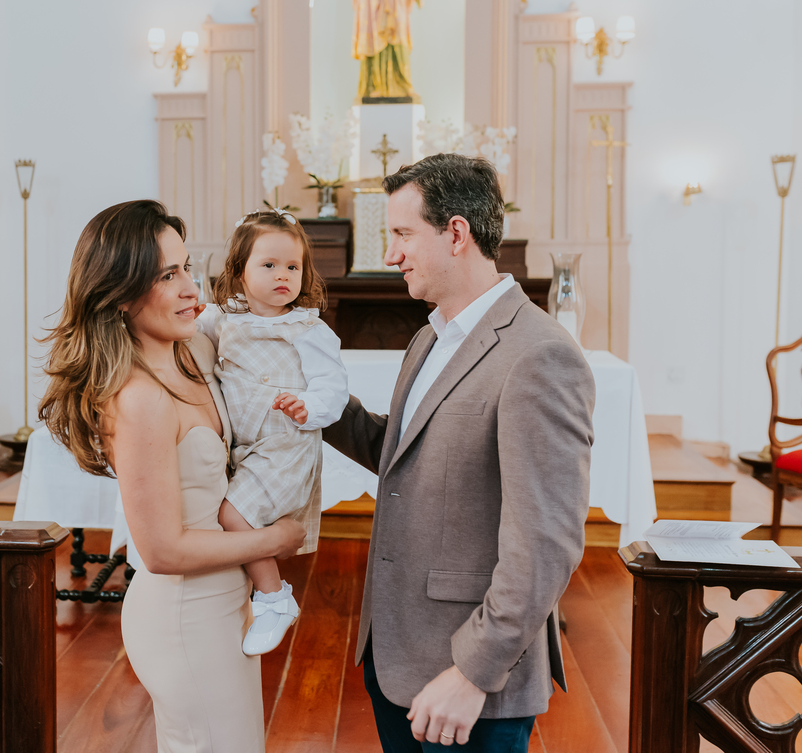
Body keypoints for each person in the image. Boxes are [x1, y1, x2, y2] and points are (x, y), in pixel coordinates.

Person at [323, 154, 595, 751]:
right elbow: (407, 459)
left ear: (455, 233)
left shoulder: (539, 354)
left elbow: (546, 543)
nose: (391, 256)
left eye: (401, 234)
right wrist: (320, 404)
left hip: (471, 674)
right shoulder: (429, 337)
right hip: (398, 652)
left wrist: (474, 671)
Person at [39, 200, 306, 752]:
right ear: (119, 295)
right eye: (167, 275)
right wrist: (275, 540)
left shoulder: (196, 351)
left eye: (187, 266)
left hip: (227, 604)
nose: (191, 288)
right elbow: (160, 550)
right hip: (185, 618)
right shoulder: (138, 400)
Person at [197, 209, 348, 655]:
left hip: (286, 444)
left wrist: (308, 407)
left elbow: (333, 387)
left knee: (231, 515)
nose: (283, 275)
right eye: (269, 265)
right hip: (244, 448)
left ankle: (274, 596)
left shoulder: (308, 329)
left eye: (292, 266)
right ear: (239, 272)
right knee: (225, 516)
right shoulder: (221, 319)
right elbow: (185, 328)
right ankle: (252, 594)